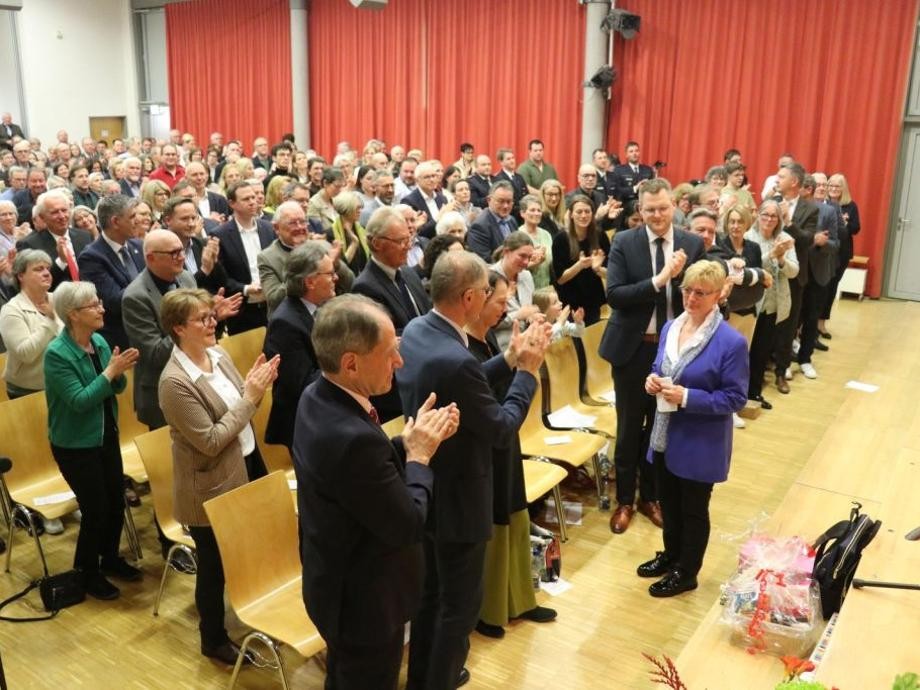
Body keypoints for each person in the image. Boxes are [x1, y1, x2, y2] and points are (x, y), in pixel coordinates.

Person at [397, 250, 548, 690]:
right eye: (486, 292)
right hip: (461, 498)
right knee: (458, 610)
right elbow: (501, 429)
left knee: (431, 600)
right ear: (467, 297)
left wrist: (506, 360)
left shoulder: (419, 330)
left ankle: (422, 680)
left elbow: (458, 383)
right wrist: (527, 373)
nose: (489, 299)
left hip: (428, 484)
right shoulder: (454, 356)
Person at [293, 294, 458, 690]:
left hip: (333, 582)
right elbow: (407, 523)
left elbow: (358, 475)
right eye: (389, 354)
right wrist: (419, 457)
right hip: (365, 604)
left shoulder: (316, 394)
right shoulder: (350, 437)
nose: (399, 363)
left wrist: (404, 443)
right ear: (351, 362)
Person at [158, 288, 278, 664]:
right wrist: (251, 396)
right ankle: (212, 638)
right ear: (179, 328)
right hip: (209, 484)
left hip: (247, 461)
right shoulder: (174, 383)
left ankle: (254, 608)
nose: (213, 323)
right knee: (214, 566)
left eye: (213, 316)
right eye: (203, 319)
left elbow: (243, 404)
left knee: (252, 547)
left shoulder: (219, 354)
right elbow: (210, 441)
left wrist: (254, 391)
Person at [599, 178, 706, 534]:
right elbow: (614, 295)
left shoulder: (691, 243)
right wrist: (660, 280)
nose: (657, 215)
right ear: (640, 211)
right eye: (649, 210)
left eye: (662, 208)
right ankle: (625, 501)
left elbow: (703, 293)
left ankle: (652, 497)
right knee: (630, 429)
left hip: (675, 352)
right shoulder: (625, 243)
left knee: (661, 427)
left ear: (673, 206)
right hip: (633, 350)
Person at [638, 260, 748, 597]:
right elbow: (661, 365)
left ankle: (687, 572)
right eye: (687, 289)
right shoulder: (672, 327)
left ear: (718, 295)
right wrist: (652, 379)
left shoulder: (731, 342)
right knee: (668, 503)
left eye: (700, 293)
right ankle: (671, 555)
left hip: (701, 441)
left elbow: (734, 398)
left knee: (693, 510)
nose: (691, 297)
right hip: (665, 434)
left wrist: (688, 397)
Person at [466, 271, 556, 639]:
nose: (507, 311)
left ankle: (519, 599)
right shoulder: (462, 347)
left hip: (507, 433)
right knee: (495, 524)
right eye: (500, 302)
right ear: (477, 300)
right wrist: (522, 367)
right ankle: (489, 609)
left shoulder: (486, 338)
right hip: (486, 443)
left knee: (516, 514)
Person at [44, 281, 141, 600]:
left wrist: (119, 372)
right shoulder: (57, 354)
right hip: (74, 445)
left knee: (116, 501)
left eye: (99, 302)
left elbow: (115, 389)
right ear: (73, 314)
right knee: (95, 508)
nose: (101, 308)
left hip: (105, 435)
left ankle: (110, 559)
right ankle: (87, 573)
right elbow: (80, 400)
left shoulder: (98, 341)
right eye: (93, 305)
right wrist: (111, 373)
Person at [352, 207, 432, 420]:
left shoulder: (407, 273)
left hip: (426, 372)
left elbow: (426, 316)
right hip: (398, 388)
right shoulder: (365, 287)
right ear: (377, 243)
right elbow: (386, 339)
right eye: (401, 241)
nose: (408, 246)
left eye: (409, 238)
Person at [263, 240, 336, 450]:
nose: (335, 278)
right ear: (310, 282)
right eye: (330, 274)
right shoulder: (284, 323)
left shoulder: (321, 307)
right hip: (305, 426)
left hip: (325, 411)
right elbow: (304, 384)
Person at [76, 194, 145, 351]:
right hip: (121, 342)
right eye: (132, 216)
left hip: (147, 329)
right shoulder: (91, 257)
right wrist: (150, 275)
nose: (138, 221)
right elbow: (114, 301)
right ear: (115, 222)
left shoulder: (138, 246)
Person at [745, 200, 798, 400]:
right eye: (764, 214)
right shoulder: (748, 237)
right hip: (751, 305)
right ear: (758, 215)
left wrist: (782, 258)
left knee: (762, 352)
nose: (768, 219)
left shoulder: (785, 238)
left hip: (774, 304)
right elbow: (750, 267)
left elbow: (794, 272)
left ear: (779, 220)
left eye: (773, 216)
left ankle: (755, 393)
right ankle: (740, 393)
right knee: (746, 351)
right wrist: (772, 255)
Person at [212, 181, 276, 334]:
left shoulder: (268, 228)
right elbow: (221, 278)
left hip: (272, 305)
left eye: (253, 197)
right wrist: (246, 289)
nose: (253, 202)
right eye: (246, 199)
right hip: (242, 311)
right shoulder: (220, 235)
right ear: (232, 204)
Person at [0, 249, 64, 398]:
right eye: (38, 269)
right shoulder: (11, 310)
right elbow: (25, 354)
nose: (47, 273)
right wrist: (50, 321)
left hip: (64, 382)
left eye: (47, 268)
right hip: (28, 391)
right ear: (21, 276)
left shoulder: (58, 299)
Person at [16, 189, 93, 290]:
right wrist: (61, 261)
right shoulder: (29, 244)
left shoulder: (84, 236)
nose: (62, 216)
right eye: (55, 212)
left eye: (64, 210)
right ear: (42, 217)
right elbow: (34, 284)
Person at [551, 195, 609, 325]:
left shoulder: (600, 236)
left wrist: (597, 269)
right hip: (569, 302)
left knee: (592, 341)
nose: (583, 215)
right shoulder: (561, 239)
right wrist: (580, 265)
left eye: (587, 211)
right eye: (579, 212)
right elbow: (560, 279)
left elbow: (612, 274)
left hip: (593, 299)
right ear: (571, 214)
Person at [822, 173, 860, 336]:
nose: (833, 189)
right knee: (821, 289)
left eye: (837, 186)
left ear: (843, 188)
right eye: (831, 185)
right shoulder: (822, 203)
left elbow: (856, 228)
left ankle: (821, 323)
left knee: (831, 288)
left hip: (842, 252)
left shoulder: (851, 206)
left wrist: (845, 223)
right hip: (824, 252)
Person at [490, 231, 538, 350]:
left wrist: (532, 316)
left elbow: (527, 311)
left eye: (529, 257)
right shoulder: (490, 276)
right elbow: (487, 322)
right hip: (502, 347)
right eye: (522, 256)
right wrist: (518, 315)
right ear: (506, 252)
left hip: (527, 343)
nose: (527, 262)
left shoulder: (526, 276)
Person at [467, 181, 518, 262]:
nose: (506, 206)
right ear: (489, 200)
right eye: (501, 201)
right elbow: (484, 262)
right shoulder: (479, 227)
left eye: (509, 202)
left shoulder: (512, 220)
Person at [330, 191, 370, 275]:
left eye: (360, 208)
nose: (360, 211)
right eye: (357, 208)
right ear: (346, 209)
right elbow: (340, 266)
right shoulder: (331, 233)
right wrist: (354, 243)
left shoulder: (361, 229)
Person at [519, 195, 554, 289]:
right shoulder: (518, 235)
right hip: (526, 288)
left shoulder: (546, 234)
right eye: (532, 210)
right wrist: (535, 263)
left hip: (547, 287)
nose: (537, 213)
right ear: (522, 213)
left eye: (539, 210)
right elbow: (515, 268)